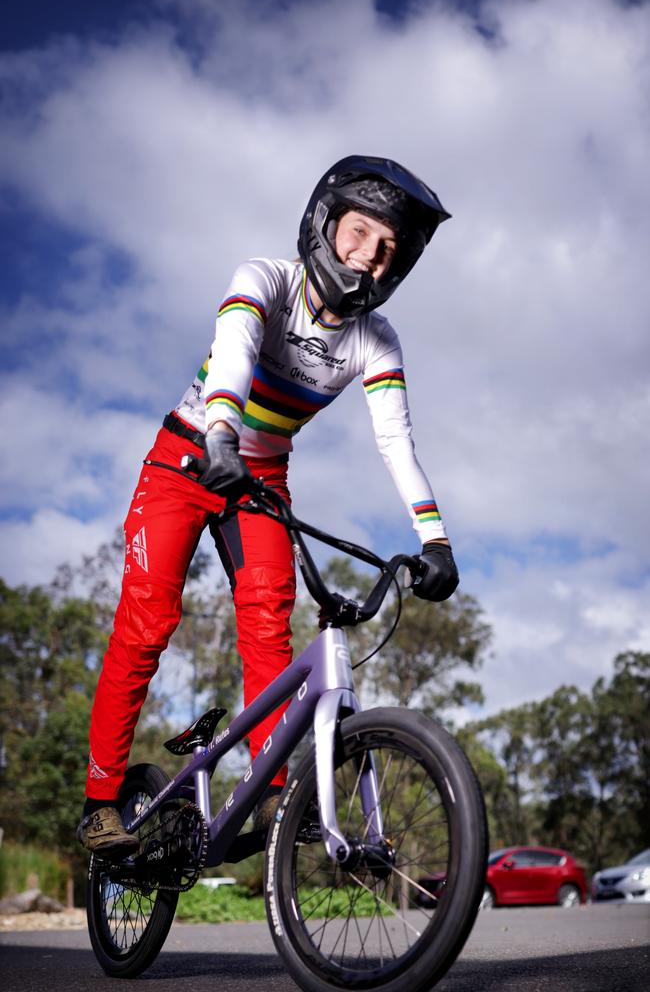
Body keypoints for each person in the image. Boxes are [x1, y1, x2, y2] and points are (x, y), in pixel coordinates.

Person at [77, 154, 459, 857]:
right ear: (325, 222)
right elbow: (234, 352)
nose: (368, 257)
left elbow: (395, 440)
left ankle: (278, 790)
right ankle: (101, 799)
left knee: (268, 620)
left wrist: (433, 540)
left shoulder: (375, 341)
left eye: (387, 250)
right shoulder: (264, 278)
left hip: (261, 478)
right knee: (149, 619)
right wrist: (220, 432)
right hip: (188, 455)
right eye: (359, 233)